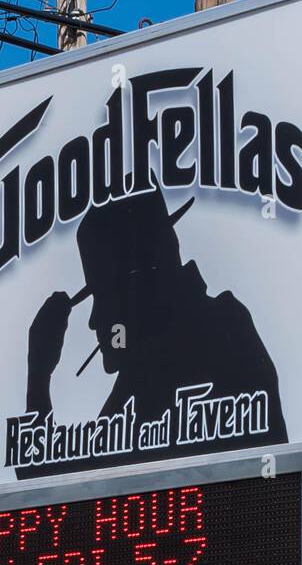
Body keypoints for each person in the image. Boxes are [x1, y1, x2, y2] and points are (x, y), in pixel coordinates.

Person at [15, 185, 286, 478]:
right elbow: (57, 500)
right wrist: (38, 376)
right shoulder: (136, 379)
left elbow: (59, 495)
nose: (93, 321)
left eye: (103, 296)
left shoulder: (218, 328)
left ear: (139, 287)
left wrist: (39, 377)